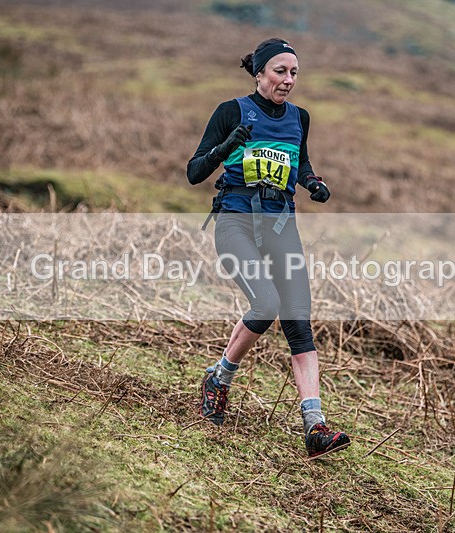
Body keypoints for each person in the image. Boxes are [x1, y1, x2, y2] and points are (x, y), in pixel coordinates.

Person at [187, 38, 350, 459]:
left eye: (294, 72)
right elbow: (194, 171)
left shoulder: (300, 118)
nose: (288, 80)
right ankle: (219, 379)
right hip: (235, 222)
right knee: (265, 302)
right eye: (280, 71)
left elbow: (301, 163)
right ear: (259, 73)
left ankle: (316, 427)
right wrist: (227, 147)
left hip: (281, 225)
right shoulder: (231, 112)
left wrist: (313, 183)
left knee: (298, 320)